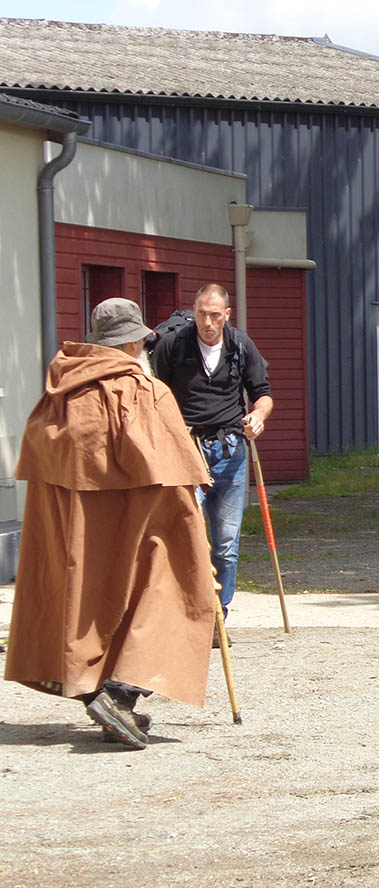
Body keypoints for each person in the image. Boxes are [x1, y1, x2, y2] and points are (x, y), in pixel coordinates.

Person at [5, 298, 218, 750]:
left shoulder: (60, 391)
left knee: (91, 596)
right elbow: (172, 465)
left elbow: (45, 454)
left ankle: (100, 689)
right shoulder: (144, 390)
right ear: (137, 342)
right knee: (174, 589)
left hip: (77, 524)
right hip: (146, 516)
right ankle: (119, 693)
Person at [151, 284, 272, 638]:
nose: (207, 322)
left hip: (231, 451)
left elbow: (262, 395)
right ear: (194, 309)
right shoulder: (174, 345)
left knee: (225, 543)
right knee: (188, 538)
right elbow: (155, 393)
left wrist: (258, 416)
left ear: (227, 314)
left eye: (215, 315)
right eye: (202, 313)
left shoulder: (240, 345)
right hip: (186, 449)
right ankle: (191, 614)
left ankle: (218, 618)